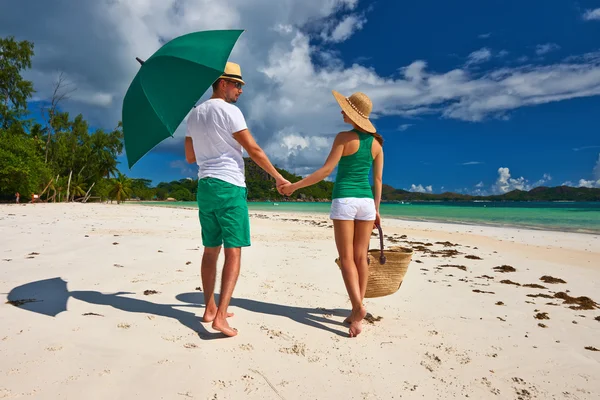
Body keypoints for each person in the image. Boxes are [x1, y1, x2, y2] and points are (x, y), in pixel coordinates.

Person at [184, 62, 290, 337]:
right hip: (229, 185)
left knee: (210, 249)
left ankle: (209, 308)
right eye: (237, 84)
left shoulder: (193, 115)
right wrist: (278, 177)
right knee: (234, 251)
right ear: (222, 83)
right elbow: (252, 148)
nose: (240, 90)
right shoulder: (230, 111)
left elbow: (190, 157)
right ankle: (220, 317)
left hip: (205, 186)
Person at [281, 91, 384, 338]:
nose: (341, 112)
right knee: (361, 258)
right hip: (367, 204)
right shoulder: (377, 144)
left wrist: (294, 187)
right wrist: (378, 210)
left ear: (353, 115)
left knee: (346, 258)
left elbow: (326, 170)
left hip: (345, 201)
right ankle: (356, 312)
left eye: (345, 109)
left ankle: (358, 307)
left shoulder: (343, 138)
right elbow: (378, 180)